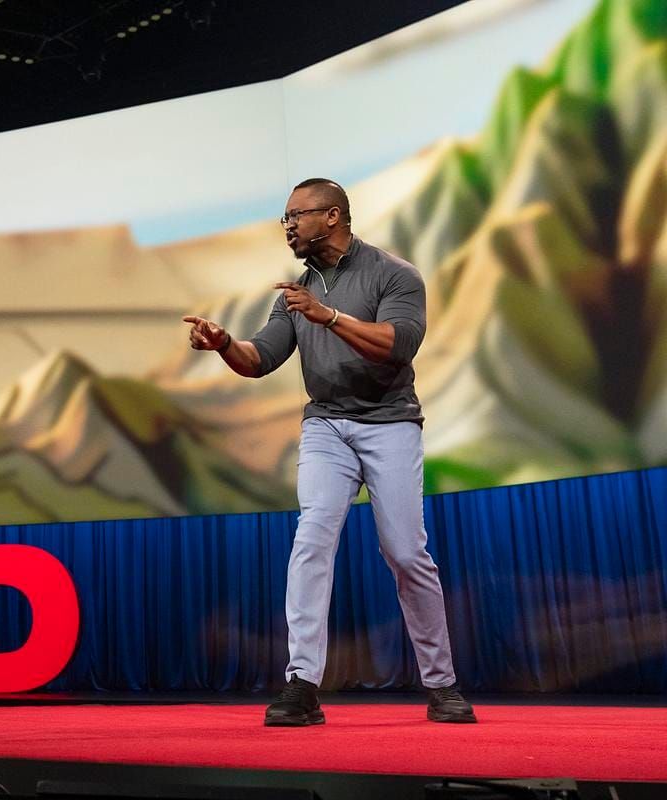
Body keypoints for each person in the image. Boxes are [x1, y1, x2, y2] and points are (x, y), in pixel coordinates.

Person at [183, 178, 476, 726]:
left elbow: (398, 344)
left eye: (297, 215)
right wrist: (223, 344)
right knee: (311, 540)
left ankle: (442, 684)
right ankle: (302, 684)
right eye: (286, 218)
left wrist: (330, 317)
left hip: (389, 423)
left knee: (405, 552)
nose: (288, 226)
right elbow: (258, 359)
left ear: (333, 216)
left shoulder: (394, 274)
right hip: (326, 426)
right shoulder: (294, 293)